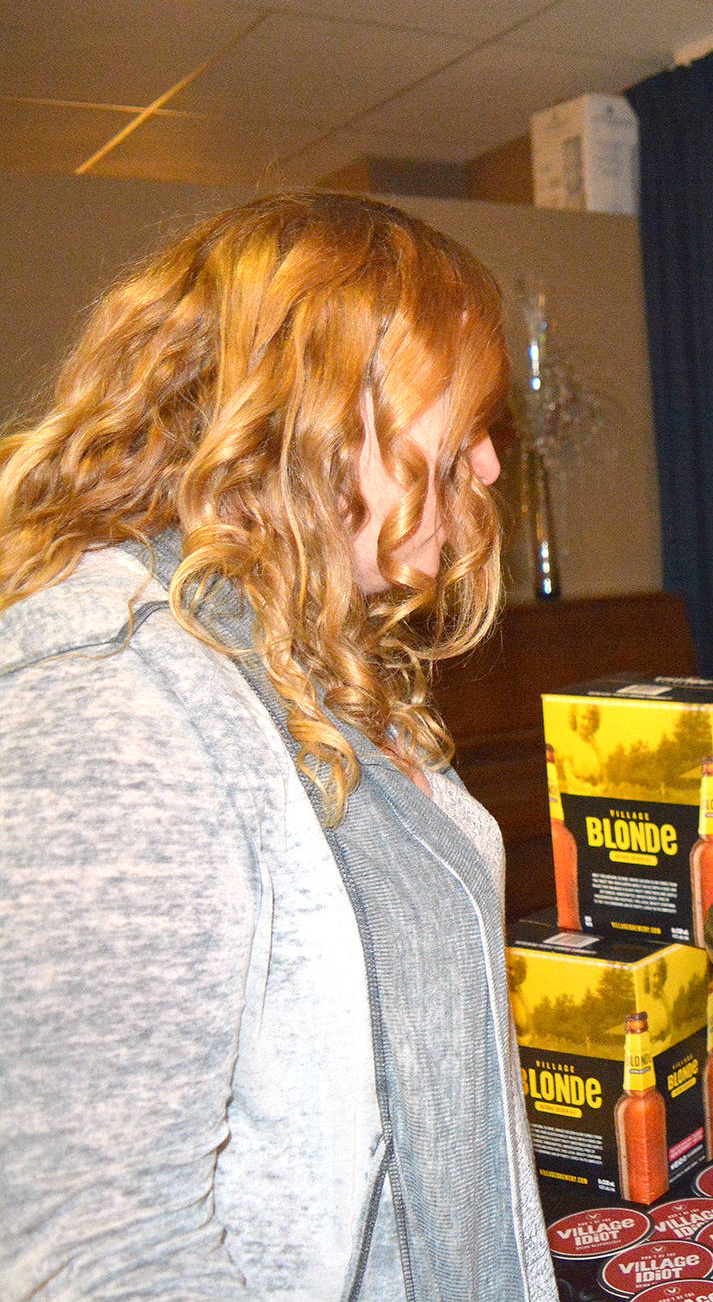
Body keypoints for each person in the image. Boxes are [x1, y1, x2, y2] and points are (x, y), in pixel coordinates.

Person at [0, 192, 558, 1298]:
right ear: (307, 404)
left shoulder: (306, 654)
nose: (489, 466)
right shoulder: (101, 702)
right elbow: (103, 1256)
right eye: (464, 416)